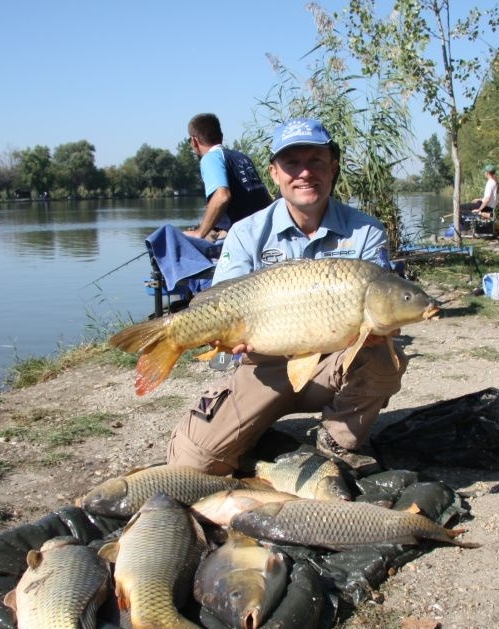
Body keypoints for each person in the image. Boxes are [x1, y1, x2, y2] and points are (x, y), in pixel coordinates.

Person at [167, 118, 400, 476]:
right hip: (262, 366)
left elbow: (383, 300)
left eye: (316, 161)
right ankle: (255, 435)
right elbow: (220, 304)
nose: (305, 173)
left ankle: (337, 440)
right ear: (274, 173)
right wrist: (223, 336)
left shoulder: (366, 231)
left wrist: (385, 327)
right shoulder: (246, 232)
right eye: (292, 163)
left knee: (385, 355)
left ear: (333, 167)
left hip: (333, 363)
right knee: (193, 465)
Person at [184, 113, 272, 241]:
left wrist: (200, 233)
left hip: (240, 237)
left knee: (175, 236)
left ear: (194, 141)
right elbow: (263, 197)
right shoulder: (242, 157)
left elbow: (222, 196)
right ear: (221, 136)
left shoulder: (210, 158)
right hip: (262, 231)